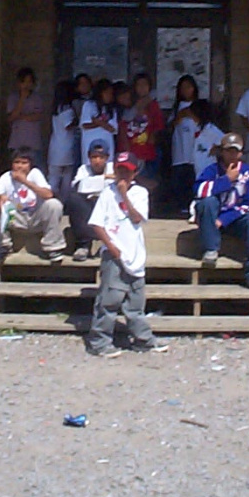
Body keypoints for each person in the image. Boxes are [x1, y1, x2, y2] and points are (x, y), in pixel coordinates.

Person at [86, 151, 168, 357]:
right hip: (114, 252)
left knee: (135, 303)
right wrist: (110, 246)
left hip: (134, 253)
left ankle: (143, 339)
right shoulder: (106, 193)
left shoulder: (140, 193)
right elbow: (96, 224)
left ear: (134, 173)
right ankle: (99, 342)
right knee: (109, 300)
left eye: (127, 171)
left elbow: (137, 218)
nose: (123, 175)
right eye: (120, 170)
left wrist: (124, 195)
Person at [193, 133, 249, 292]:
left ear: (241, 153)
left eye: (236, 151)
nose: (232, 155)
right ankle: (211, 249)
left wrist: (224, 219)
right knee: (206, 202)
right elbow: (199, 191)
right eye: (228, 151)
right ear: (222, 152)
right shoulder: (211, 170)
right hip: (210, 222)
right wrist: (226, 180)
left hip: (234, 219)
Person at [0, 147, 65, 264]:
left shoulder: (35, 174)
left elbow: (48, 194)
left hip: (35, 218)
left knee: (54, 204)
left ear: (30, 165)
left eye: (24, 163)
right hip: (14, 218)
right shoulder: (7, 176)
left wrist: (25, 181)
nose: (20, 166)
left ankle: (53, 248)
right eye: (16, 162)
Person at [66, 142, 114, 262]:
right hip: (88, 207)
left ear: (107, 158)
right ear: (89, 157)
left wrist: (92, 183)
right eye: (94, 157)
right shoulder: (83, 169)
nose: (97, 161)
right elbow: (79, 187)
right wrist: (105, 178)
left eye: (101, 157)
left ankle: (104, 244)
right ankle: (84, 245)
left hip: (108, 207)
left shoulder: (114, 167)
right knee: (74, 199)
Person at [120, 72, 165, 183]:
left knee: (146, 178)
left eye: (145, 85)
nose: (142, 88)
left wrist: (153, 136)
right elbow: (123, 125)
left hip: (147, 148)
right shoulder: (129, 103)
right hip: (131, 147)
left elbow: (158, 124)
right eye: (139, 85)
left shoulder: (153, 104)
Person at [168, 74, 200, 212]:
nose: (186, 90)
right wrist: (179, 116)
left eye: (189, 87)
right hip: (180, 150)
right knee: (179, 180)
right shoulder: (176, 107)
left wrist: (191, 114)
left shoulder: (199, 105)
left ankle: (193, 205)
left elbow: (205, 124)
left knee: (193, 178)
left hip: (196, 150)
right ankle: (181, 206)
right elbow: (169, 127)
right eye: (183, 88)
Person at [5, 67, 45, 169]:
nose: (27, 85)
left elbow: (37, 116)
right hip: (17, 142)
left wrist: (21, 116)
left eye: (29, 82)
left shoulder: (37, 98)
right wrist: (22, 98)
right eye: (24, 82)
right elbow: (11, 117)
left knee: (35, 171)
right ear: (19, 83)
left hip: (33, 143)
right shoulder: (13, 97)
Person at [47, 79, 78, 202]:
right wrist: (77, 120)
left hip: (55, 146)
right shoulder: (68, 110)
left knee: (53, 178)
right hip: (66, 147)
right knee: (66, 179)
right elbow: (68, 125)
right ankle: (63, 203)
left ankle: (49, 199)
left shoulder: (56, 109)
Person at [80, 78, 118, 162]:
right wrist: (103, 123)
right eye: (107, 93)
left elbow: (113, 129)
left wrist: (98, 122)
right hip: (90, 142)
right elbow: (85, 125)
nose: (109, 95)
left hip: (107, 143)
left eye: (111, 93)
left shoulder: (111, 109)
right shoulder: (89, 105)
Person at [189, 99, 224, 179]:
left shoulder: (210, 129)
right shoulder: (197, 128)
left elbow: (226, 142)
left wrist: (218, 149)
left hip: (209, 172)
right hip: (199, 171)